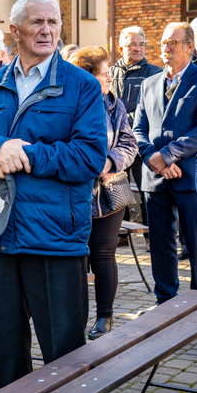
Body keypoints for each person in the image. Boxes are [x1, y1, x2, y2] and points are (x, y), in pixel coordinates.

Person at [0, 0, 107, 393]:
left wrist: (22, 153)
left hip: (55, 232)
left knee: (62, 336)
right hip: (0, 228)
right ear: (15, 30)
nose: (47, 30)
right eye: (37, 23)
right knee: (4, 334)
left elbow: (89, 157)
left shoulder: (81, 86)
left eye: (54, 22)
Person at [68, 47, 138, 340]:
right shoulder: (70, 105)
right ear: (87, 77)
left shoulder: (114, 105)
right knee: (75, 258)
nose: (110, 77)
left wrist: (110, 161)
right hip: (77, 195)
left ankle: (105, 318)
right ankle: (73, 320)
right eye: (105, 73)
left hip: (110, 194)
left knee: (104, 254)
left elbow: (129, 144)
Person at [133, 22, 197, 304]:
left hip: (189, 175)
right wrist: (153, 158)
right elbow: (137, 129)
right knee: (161, 244)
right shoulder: (149, 83)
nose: (166, 47)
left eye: (172, 43)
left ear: (189, 47)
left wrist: (169, 155)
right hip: (155, 177)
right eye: (163, 42)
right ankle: (165, 301)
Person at [111, 26, 162, 247]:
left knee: (146, 190)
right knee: (116, 187)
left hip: (142, 142)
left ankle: (152, 236)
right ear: (120, 46)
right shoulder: (110, 73)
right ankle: (120, 233)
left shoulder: (154, 73)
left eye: (141, 44)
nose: (137, 49)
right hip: (115, 144)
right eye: (132, 44)